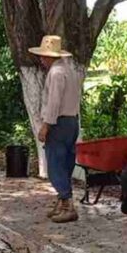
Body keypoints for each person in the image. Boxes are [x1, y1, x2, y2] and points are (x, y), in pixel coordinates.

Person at [29, 35, 82, 223]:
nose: (41, 59)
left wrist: (46, 125)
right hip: (72, 121)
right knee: (66, 162)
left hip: (59, 123)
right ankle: (62, 201)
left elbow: (54, 103)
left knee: (55, 164)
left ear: (49, 56)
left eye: (43, 56)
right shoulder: (70, 70)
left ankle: (67, 204)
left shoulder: (56, 73)